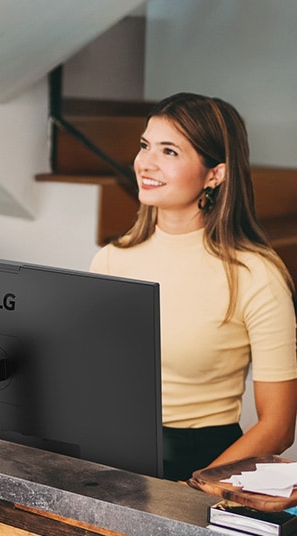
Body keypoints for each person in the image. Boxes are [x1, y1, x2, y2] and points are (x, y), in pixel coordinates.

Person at [90, 92, 297, 482]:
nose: (145, 163)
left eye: (169, 151)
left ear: (214, 174)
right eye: (145, 145)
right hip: (114, 457)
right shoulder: (111, 259)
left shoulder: (256, 275)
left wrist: (196, 486)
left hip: (205, 463)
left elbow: (279, 427)